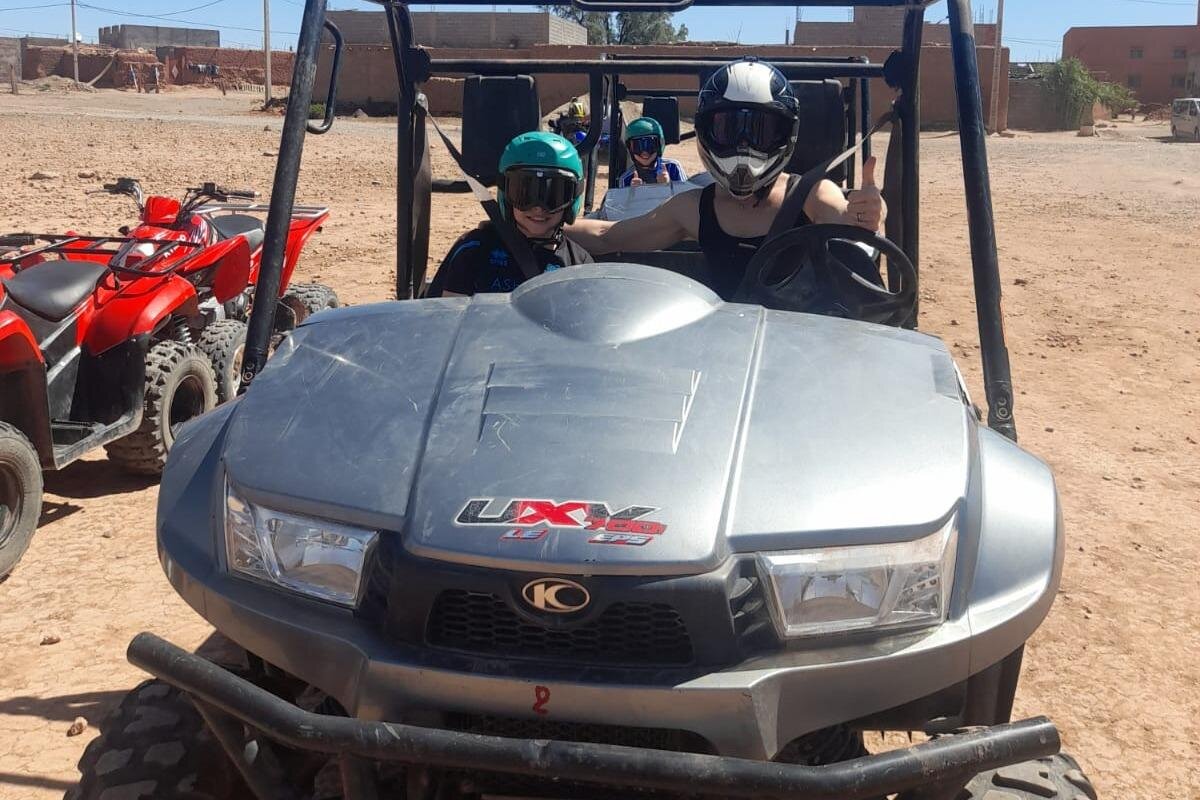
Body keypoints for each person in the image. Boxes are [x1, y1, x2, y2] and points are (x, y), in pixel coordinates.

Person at [566, 57, 886, 301]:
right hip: (728, 350)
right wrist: (544, 216)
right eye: (727, 130)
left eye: (760, 131)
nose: (743, 146)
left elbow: (848, 220)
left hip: (798, 351)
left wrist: (869, 213)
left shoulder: (811, 195)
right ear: (706, 132)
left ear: (785, 135)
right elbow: (608, 236)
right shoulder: (693, 208)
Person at [426, 131, 593, 297]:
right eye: (524, 195)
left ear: (572, 199)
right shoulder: (475, 250)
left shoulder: (579, 264)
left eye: (553, 196)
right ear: (506, 195)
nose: (538, 208)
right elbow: (449, 309)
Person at [618, 117, 687, 187]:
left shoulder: (673, 168)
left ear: (659, 146)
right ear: (630, 149)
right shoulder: (626, 179)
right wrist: (631, 191)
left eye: (650, 146)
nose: (644, 153)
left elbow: (687, 192)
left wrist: (667, 185)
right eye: (638, 147)